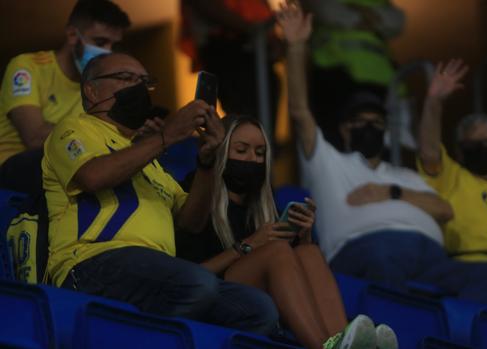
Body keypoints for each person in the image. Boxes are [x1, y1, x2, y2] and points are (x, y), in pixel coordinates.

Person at [281, 2, 487, 305]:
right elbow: (298, 111)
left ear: (386, 129)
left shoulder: (401, 176)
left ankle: (459, 331)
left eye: (376, 122)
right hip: (369, 249)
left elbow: (443, 209)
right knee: (385, 261)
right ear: (345, 130)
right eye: (359, 122)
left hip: (430, 258)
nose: (369, 127)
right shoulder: (326, 161)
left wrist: (391, 193)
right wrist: (296, 47)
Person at [42, 52, 279, 334]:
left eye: (144, 81)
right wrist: (167, 136)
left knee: (258, 310)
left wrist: (207, 162)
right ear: (92, 91)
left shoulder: (149, 161)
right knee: (195, 284)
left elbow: (191, 221)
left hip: (156, 271)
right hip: (91, 262)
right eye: (125, 78)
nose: (139, 87)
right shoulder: (74, 129)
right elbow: (93, 177)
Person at [176, 114, 398, 349]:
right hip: (214, 293)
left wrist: (303, 236)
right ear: (220, 151)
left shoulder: (264, 207)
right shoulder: (196, 193)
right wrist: (248, 245)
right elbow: (191, 275)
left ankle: (338, 340)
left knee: (308, 252)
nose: (252, 159)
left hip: (259, 295)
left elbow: (294, 277)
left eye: (260, 153)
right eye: (241, 151)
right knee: (277, 251)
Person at [0, 0, 130, 195]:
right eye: (100, 42)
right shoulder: (27, 67)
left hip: (74, 162)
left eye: (114, 45)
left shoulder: (100, 85)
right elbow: (34, 137)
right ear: (71, 35)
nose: (108, 52)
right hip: (17, 166)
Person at [418, 59, 487, 264]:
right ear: (459, 151)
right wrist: (433, 101)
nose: (483, 148)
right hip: (476, 266)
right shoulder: (451, 177)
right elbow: (430, 152)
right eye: (473, 144)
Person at [299, 0, 404, 148]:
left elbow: (396, 21)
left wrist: (355, 13)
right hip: (333, 74)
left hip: (377, 77)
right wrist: (369, 17)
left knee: (377, 142)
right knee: (334, 142)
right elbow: (324, 10)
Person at [180, 0, 281, 134]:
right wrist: (251, 28)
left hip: (255, 48)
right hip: (227, 48)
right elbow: (206, 6)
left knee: (264, 106)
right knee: (244, 118)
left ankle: (262, 148)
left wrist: (269, 35)